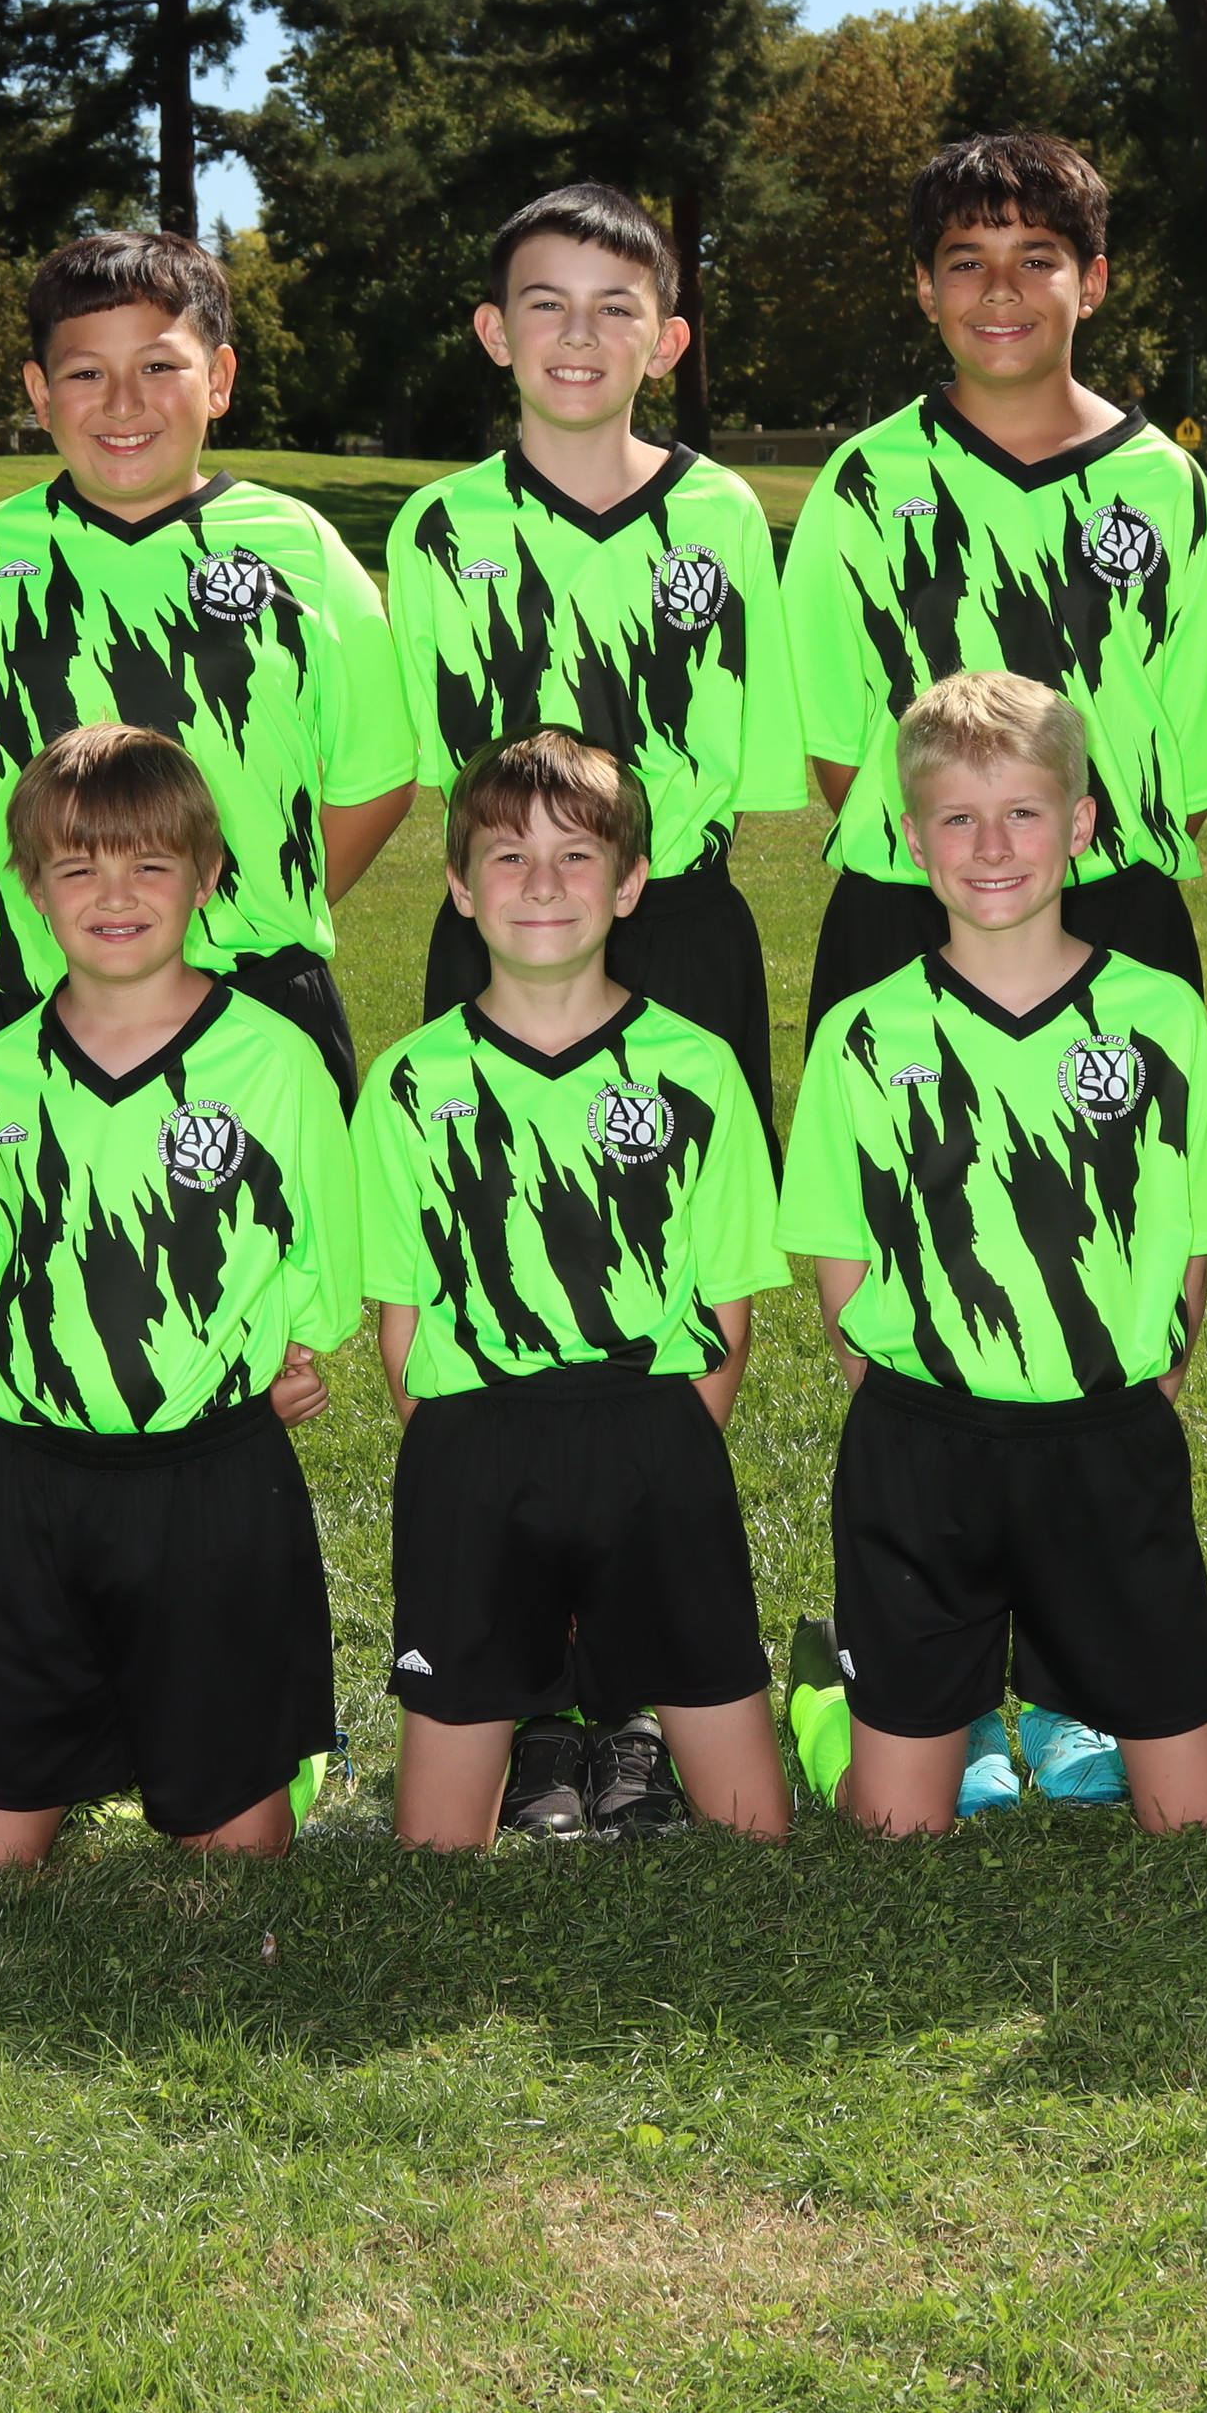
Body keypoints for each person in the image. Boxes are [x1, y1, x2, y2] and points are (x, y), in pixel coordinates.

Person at [774, 674, 1207, 1837]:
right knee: (899, 1826)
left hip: (1109, 1435)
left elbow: (1186, 1235)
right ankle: (835, 1697)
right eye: (959, 818)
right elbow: (842, 1265)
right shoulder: (864, 1031)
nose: (992, 847)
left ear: (1079, 824)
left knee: (1192, 1815)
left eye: (1024, 813)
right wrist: (915, 1402)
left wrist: (1146, 1382)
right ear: (911, 835)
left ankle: (1113, 1696)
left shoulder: (1160, 1015)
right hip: (924, 1446)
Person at [0, 727, 361, 1867]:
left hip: (211, 1480)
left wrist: (289, 1353)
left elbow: (323, 1251)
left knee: (237, 1854)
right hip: (30, 1480)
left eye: (150, 865)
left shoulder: (273, 1059)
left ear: (207, 875)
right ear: (32, 888)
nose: (113, 896)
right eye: (77, 868)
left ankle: (251, 1750)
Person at [361, 733, 792, 1849]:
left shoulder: (697, 1068)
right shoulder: (409, 1081)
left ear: (631, 882)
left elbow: (726, 1310)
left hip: (654, 1433)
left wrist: (661, 1456)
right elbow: (402, 1320)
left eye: (576, 856)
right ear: (460, 887)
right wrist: (469, 1468)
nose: (542, 883)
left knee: (755, 1832)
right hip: (474, 1443)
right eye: (508, 857)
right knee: (436, 1851)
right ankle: (534, 1732)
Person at [786, 131, 1207, 1017]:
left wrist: (1082, 861)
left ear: (1092, 283)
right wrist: (956, 859)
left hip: (1114, 906)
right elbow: (829, 736)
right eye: (967, 261)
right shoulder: (865, 480)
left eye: (1037, 259)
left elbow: (1199, 728)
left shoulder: (1164, 484)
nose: (1001, 288)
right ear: (926, 287)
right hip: (908, 907)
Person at [0, 232, 414, 1106]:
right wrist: (96, 914)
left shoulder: (298, 548)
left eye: (158, 366)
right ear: (40, 393)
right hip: (42, 992)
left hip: (255, 994)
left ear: (218, 379)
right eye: (86, 373)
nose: (123, 402)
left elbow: (374, 782)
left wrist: (246, 910)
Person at [388, 184, 800, 1123]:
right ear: (495, 332)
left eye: (615, 308)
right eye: (548, 304)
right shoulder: (439, 528)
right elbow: (424, 761)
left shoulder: (721, 512)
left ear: (666, 344)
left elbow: (752, 748)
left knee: (703, 1196)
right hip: (505, 924)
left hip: (682, 922)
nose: (579, 334)